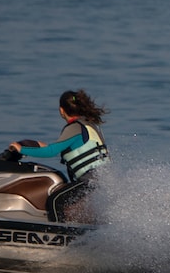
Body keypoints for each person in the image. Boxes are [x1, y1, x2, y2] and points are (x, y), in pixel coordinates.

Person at [9, 89, 110, 221]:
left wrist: (21, 149)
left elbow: (51, 151)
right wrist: (39, 145)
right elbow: (69, 148)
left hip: (90, 180)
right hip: (101, 180)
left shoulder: (74, 127)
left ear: (61, 110)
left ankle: (59, 235)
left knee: (55, 200)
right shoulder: (90, 125)